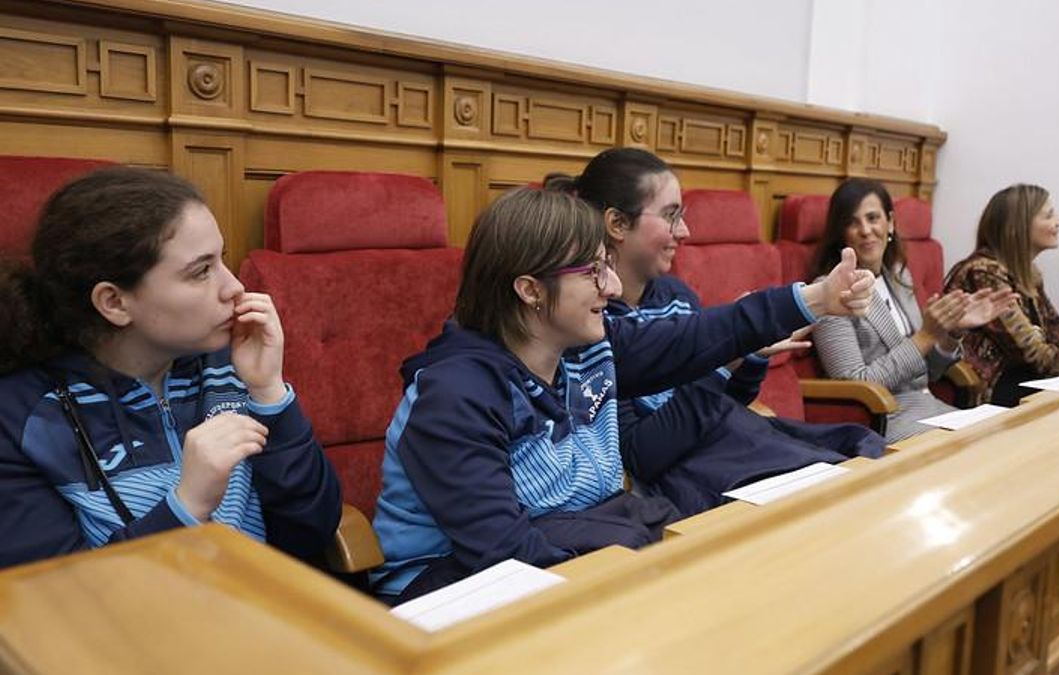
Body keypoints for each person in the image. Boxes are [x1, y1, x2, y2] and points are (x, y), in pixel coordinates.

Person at [370, 186, 875, 602]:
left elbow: (694, 337)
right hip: (454, 591)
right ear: (529, 290)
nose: (612, 286)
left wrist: (814, 299)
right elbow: (506, 554)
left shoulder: (587, 346)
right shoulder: (457, 395)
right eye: (592, 272)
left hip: (587, 544)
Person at [0, 167, 342, 570]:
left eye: (222, 260)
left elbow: (312, 530)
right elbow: (57, 596)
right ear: (114, 303)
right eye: (201, 271)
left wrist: (270, 394)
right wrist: (187, 505)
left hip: (262, 616)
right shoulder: (22, 417)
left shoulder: (228, 364)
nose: (234, 287)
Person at [548, 148, 884, 517]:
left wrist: (750, 357)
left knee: (865, 470)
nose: (685, 231)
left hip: (739, 444)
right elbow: (642, 454)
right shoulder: (588, 324)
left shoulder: (678, 296)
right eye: (671, 215)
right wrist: (724, 361)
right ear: (617, 224)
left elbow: (726, 401)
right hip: (700, 474)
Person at [811, 179, 1016, 441]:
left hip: (930, 407)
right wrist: (925, 337)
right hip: (885, 418)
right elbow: (854, 386)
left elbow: (928, 372)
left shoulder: (899, 277)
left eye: (873, 218)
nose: (865, 230)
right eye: (853, 222)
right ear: (841, 234)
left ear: (890, 223)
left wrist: (950, 332)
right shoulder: (831, 292)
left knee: (1007, 433)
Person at [944, 184, 1059, 406]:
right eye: (1049, 215)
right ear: (1018, 227)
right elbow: (1030, 352)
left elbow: (1058, 331)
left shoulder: (1028, 272)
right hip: (993, 383)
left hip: (1024, 372)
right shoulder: (984, 272)